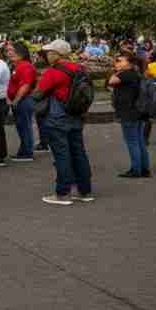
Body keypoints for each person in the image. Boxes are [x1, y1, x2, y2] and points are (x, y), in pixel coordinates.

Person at [33, 40, 93, 206]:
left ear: (56, 54)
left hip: (57, 118)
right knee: (79, 153)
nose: (47, 56)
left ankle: (63, 193)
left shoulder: (54, 72)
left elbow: (38, 93)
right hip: (77, 116)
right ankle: (84, 191)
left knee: (62, 155)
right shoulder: (80, 69)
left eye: (49, 53)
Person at [108, 53, 150, 178]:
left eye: (120, 60)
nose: (117, 62)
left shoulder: (126, 74)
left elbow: (110, 81)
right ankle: (144, 168)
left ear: (129, 63)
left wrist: (116, 71)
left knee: (132, 141)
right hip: (138, 111)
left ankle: (136, 169)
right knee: (140, 141)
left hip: (128, 112)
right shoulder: (136, 74)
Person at [6, 43, 37, 162]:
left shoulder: (25, 66)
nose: (9, 53)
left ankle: (27, 153)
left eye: (12, 50)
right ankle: (23, 151)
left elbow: (25, 85)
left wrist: (16, 100)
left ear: (21, 53)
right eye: (8, 50)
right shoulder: (16, 66)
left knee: (25, 126)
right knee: (21, 126)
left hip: (23, 100)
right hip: (19, 100)